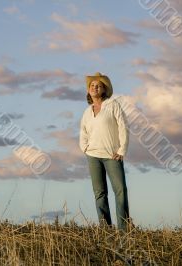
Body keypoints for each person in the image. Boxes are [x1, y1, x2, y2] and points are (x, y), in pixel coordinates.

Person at [79, 72, 132, 232]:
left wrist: (122, 149)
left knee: (120, 190)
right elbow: (83, 132)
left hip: (111, 155)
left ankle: (124, 230)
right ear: (88, 90)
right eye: (92, 86)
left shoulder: (113, 105)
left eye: (99, 86)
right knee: (99, 193)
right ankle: (105, 230)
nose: (95, 88)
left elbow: (123, 126)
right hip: (93, 156)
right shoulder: (87, 112)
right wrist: (85, 148)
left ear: (104, 90)